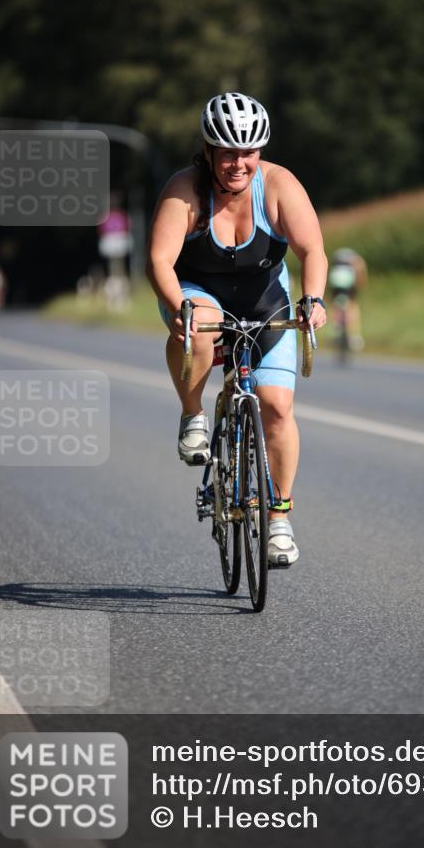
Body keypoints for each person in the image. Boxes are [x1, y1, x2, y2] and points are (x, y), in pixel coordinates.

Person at [146, 93, 328, 567]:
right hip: (197, 291)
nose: (238, 163)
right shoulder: (185, 191)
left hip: (264, 296)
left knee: (277, 407)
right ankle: (193, 414)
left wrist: (313, 300)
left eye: (248, 152)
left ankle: (280, 520)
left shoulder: (279, 186)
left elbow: (313, 252)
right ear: (208, 153)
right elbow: (159, 262)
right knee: (202, 323)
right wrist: (180, 310)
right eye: (227, 152)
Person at [328, 247, 368, 351]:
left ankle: (336, 330)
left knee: (334, 304)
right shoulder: (355, 258)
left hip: (335, 281)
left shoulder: (336, 259)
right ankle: (355, 335)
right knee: (352, 304)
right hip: (349, 281)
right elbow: (360, 271)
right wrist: (360, 284)